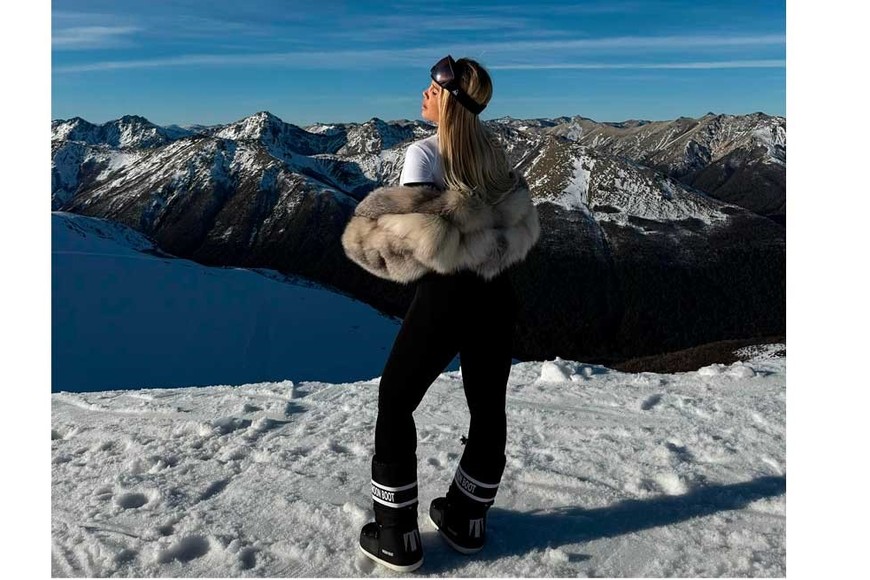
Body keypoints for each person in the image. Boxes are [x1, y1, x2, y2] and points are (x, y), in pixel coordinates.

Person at [341, 55, 540, 572]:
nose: (425, 94)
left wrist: (373, 238)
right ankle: (466, 519)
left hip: (446, 298)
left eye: (432, 88)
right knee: (487, 406)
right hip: (497, 295)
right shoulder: (495, 156)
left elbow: (406, 248)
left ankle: (396, 534)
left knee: (396, 400)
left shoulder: (423, 155)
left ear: (447, 99)